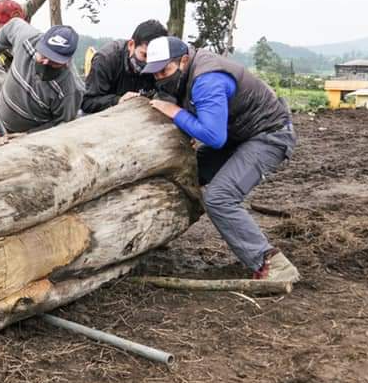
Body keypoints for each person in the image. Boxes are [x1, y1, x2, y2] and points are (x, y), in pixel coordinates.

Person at [144, 36, 300, 282]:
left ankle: (272, 263)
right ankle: (155, 237)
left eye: (165, 70)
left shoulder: (207, 79)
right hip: (239, 135)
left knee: (219, 197)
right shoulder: (187, 72)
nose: (160, 77)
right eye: (155, 72)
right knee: (187, 174)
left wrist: (176, 113)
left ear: (183, 60)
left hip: (269, 135)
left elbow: (213, 137)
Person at [0, 21, 84, 134]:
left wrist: (27, 135)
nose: (45, 62)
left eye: (53, 61)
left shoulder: (70, 90)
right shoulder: (27, 39)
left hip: (30, 141)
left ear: (67, 61)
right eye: (44, 55)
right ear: (41, 43)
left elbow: (61, 126)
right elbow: (10, 27)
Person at [81, 19, 168, 114]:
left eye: (153, 58)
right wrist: (118, 100)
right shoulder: (106, 60)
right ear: (131, 45)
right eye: (145, 55)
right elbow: (87, 103)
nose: (148, 63)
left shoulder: (160, 65)